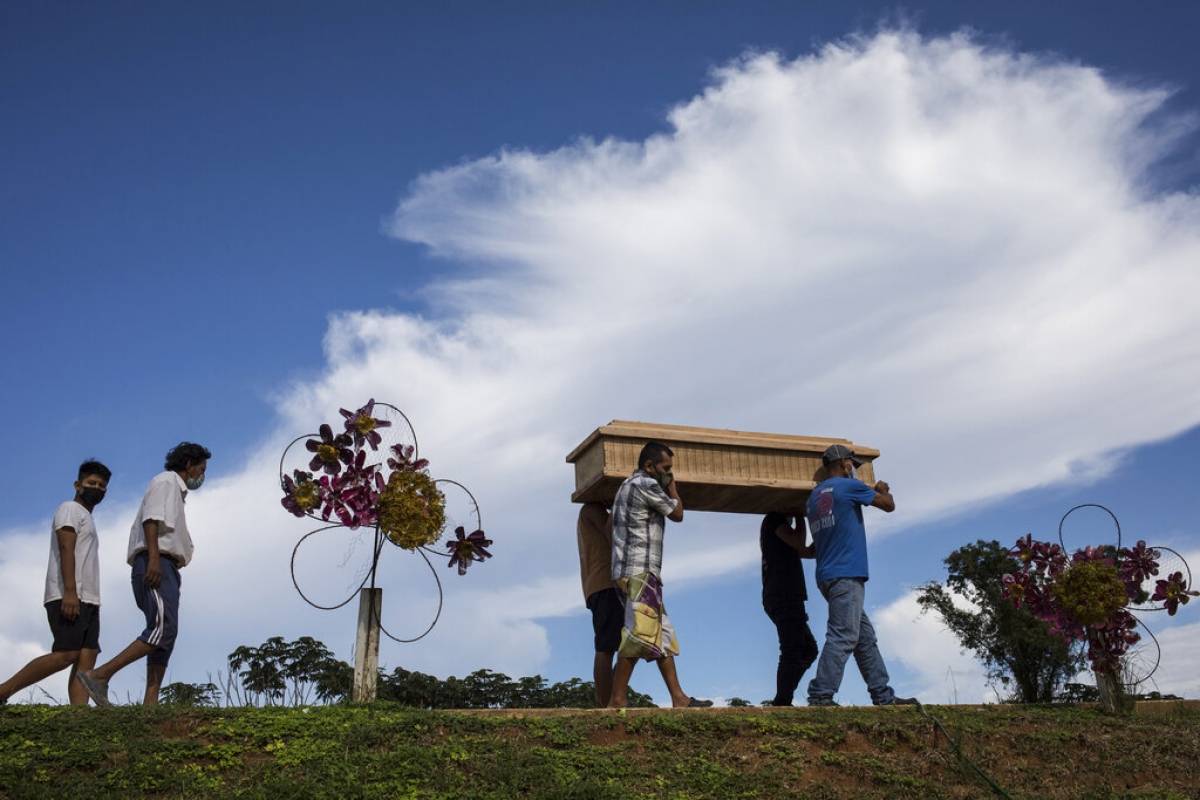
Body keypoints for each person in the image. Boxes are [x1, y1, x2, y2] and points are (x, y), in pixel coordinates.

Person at [78, 442, 210, 706]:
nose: (202, 475)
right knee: (162, 629)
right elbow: (151, 519)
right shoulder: (167, 482)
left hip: (167, 565)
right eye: (201, 468)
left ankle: (151, 701)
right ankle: (100, 675)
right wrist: (153, 560)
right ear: (189, 465)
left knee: (166, 634)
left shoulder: (176, 491)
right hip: (156, 561)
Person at [804, 444, 915, 707]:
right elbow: (888, 506)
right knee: (843, 635)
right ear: (844, 465)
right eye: (851, 464)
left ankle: (883, 695)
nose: (852, 468)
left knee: (864, 638)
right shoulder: (848, 487)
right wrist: (883, 490)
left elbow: (813, 546)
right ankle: (820, 694)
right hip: (847, 573)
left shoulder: (813, 499)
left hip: (827, 575)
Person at [607, 441, 711, 708]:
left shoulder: (626, 485)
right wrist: (672, 487)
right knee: (638, 633)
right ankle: (617, 700)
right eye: (666, 468)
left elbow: (610, 527)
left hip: (631, 571)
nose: (669, 473)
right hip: (640, 571)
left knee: (661, 633)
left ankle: (679, 697)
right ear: (649, 466)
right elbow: (677, 513)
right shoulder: (646, 484)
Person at [0, 460, 112, 705]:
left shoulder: (87, 517)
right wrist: (70, 592)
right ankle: (3, 691)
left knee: (88, 654)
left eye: (102, 485)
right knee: (66, 654)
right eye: (91, 483)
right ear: (77, 485)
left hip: (90, 598)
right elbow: (66, 547)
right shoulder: (69, 508)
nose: (97, 488)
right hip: (68, 594)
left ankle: (78, 715)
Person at [760, 511, 819, 706]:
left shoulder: (778, 526)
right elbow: (798, 542)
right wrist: (801, 515)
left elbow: (803, 551)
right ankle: (782, 700)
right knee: (792, 650)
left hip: (785, 595)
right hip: (783, 594)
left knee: (807, 650)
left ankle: (783, 696)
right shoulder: (775, 520)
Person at [577, 501, 621, 706]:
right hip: (604, 584)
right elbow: (614, 536)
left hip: (606, 585)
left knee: (634, 644)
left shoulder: (595, 511)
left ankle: (612, 697)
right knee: (606, 647)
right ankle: (605, 704)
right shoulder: (592, 510)